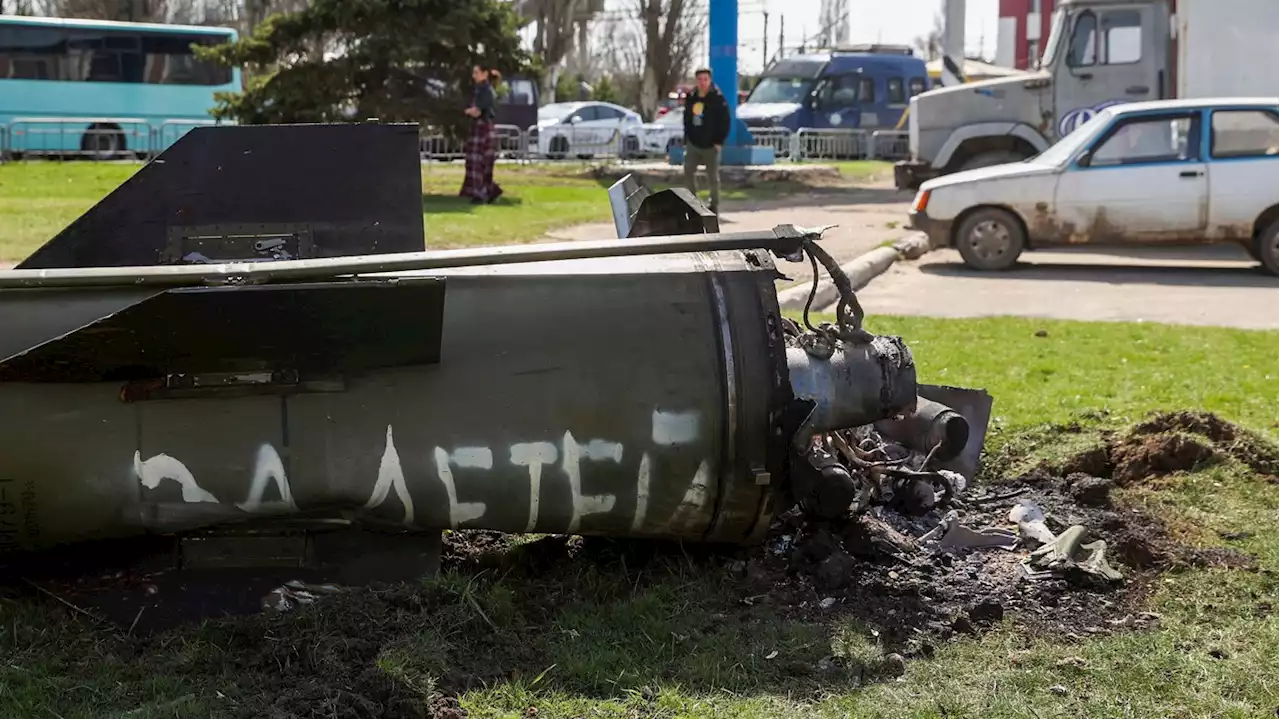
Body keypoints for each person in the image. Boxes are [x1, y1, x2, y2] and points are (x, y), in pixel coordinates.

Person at [682, 67, 731, 214]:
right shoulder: (691, 97)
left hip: (711, 144)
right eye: (699, 79)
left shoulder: (717, 98)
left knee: (712, 176)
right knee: (688, 171)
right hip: (693, 143)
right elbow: (686, 119)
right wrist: (687, 138)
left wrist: (719, 141)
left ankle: (714, 204)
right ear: (696, 81)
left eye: (705, 79)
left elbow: (725, 121)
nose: (702, 82)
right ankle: (692, 202)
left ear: (710, 80)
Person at [460, 64, 504, 205]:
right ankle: (489, 191)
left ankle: (481, 193)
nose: (474, 75)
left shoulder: (485, 90)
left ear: (485, 74)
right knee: (480, 163)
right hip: (482, 128)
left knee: (478, 162)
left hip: (483, 127)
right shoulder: (481, 90)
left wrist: (466, 111)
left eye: (476, 72)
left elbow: (477, 111)